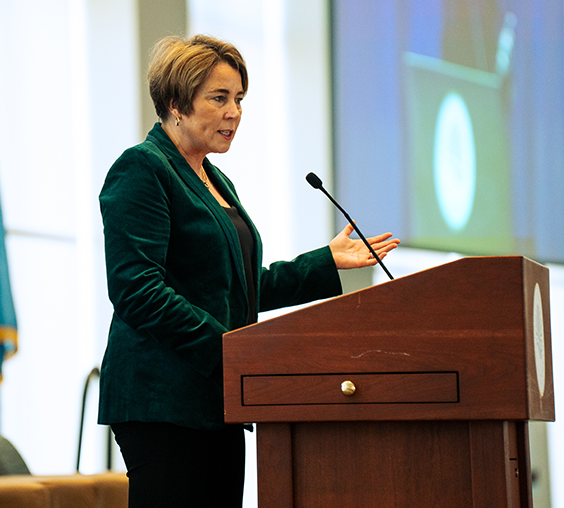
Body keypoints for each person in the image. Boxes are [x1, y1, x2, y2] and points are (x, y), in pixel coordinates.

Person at [97, 34, 400, 508]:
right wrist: (230, 354)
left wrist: (325, 262)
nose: (234, 112)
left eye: (238, 99)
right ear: (176, 102)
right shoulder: (142, 170)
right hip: (163, 402)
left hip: (217, 399)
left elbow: (237, 286)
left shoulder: (213, 178)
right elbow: (137, 290)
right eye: (219, 98)